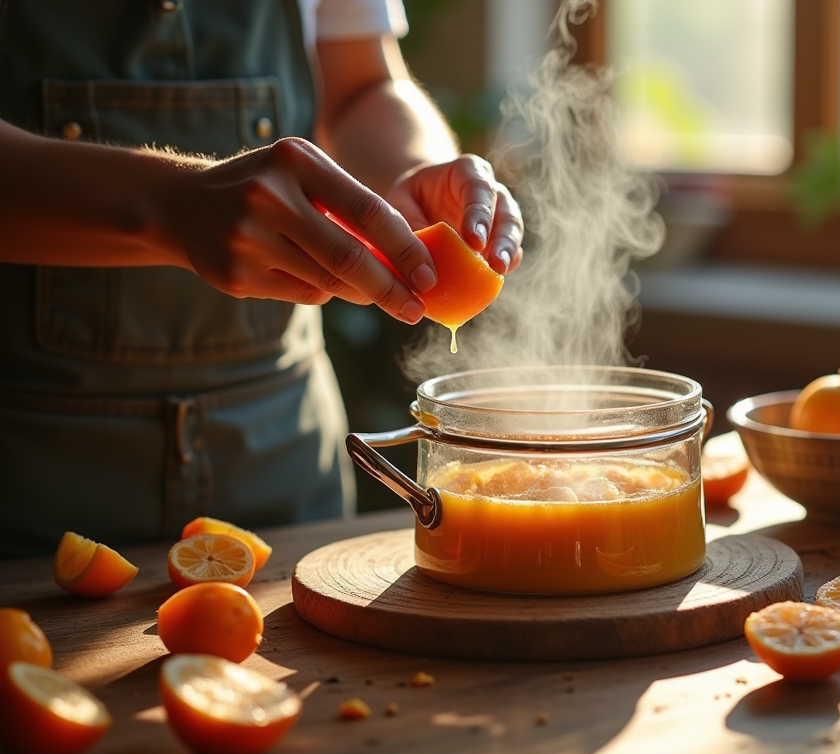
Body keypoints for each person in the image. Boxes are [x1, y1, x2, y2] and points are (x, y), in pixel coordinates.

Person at [0, 0, 524, 558]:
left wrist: (414, 171)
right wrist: (166, 203)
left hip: (284, 462)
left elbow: (363, 84)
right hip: (30, 477)